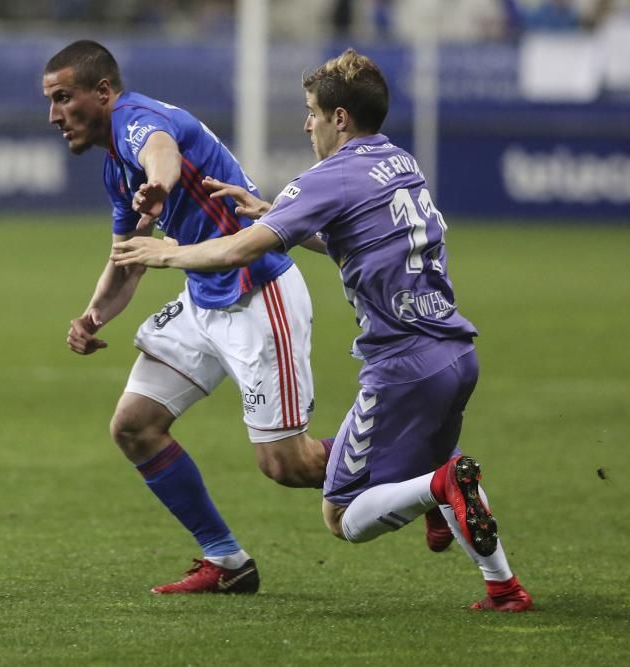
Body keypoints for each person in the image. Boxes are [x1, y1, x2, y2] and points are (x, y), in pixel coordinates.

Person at [112, 48, 533, 612]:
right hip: (457, 353)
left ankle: (438, 489)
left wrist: (168, 254)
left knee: (342, 516)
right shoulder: (401, 162)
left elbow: (236, 250)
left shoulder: (327, 178)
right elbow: (352, 237)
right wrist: (272, 211)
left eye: (313, 111)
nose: (307, 122)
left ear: (341, 118)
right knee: (437, 465)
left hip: (402, 369)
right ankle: (504, 587)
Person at [43, 40, 332, 594]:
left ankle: (423, 470)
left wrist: (160, 182)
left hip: (257, 291)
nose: (54, 115)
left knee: (287, 465)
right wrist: (93, 316)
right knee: (134, 426)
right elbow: (128, 260)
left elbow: (161, 151)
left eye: (63, 98)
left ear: (103, 93)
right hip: (205, 297)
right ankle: (225, 561)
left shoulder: (136, 120)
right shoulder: (115, 167)